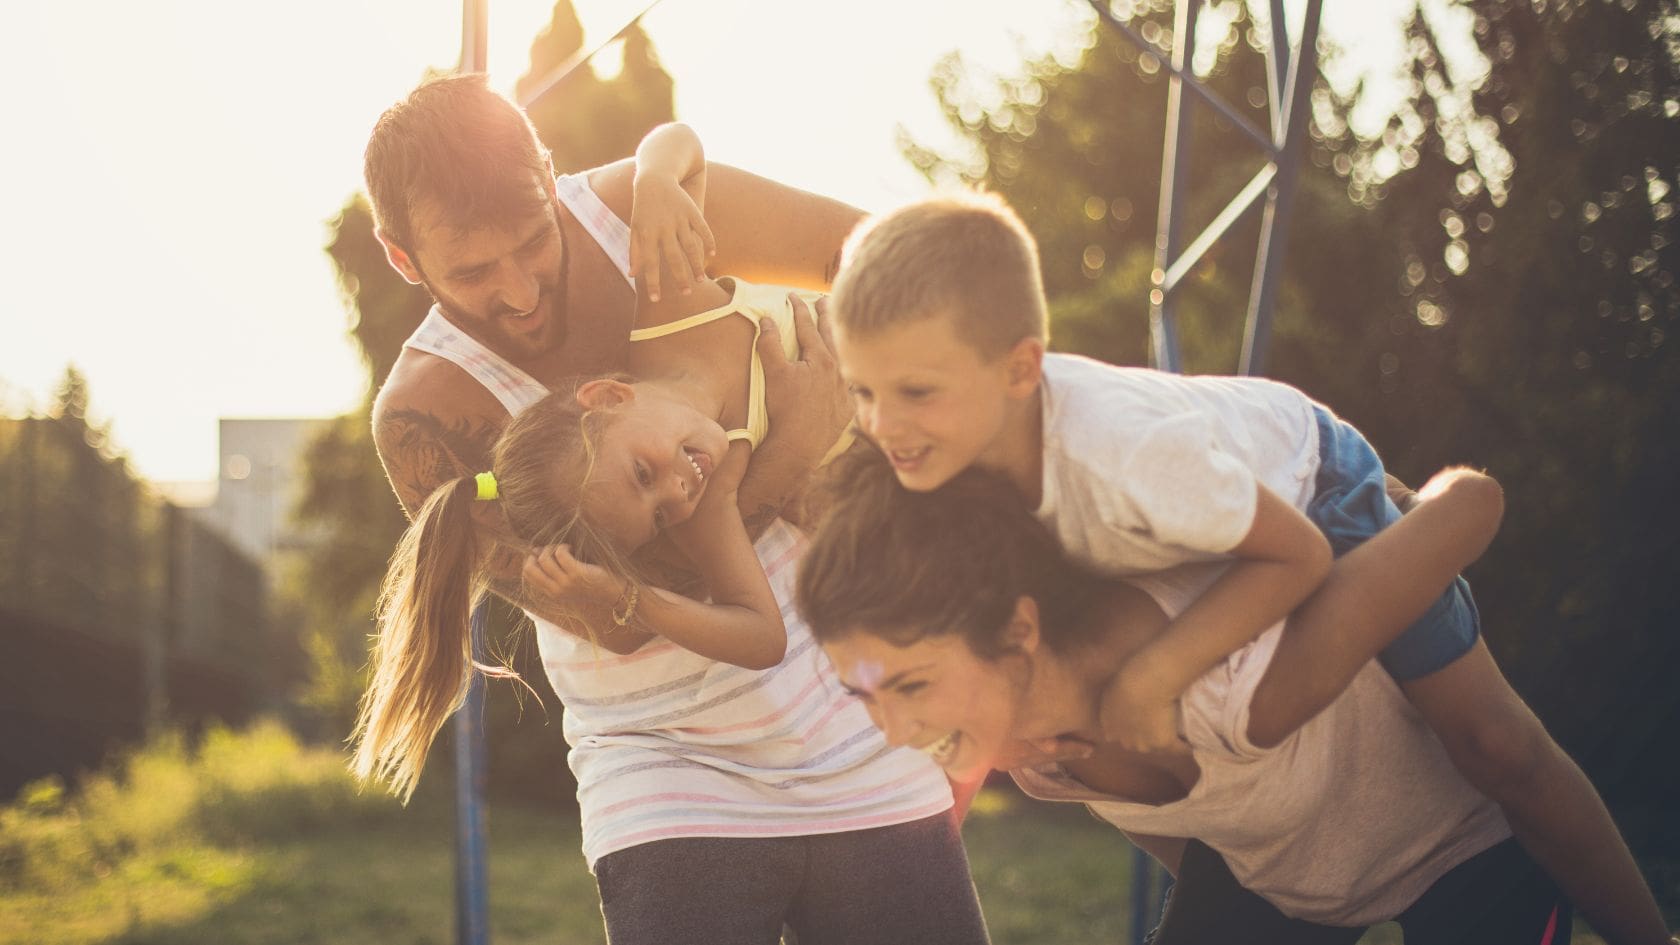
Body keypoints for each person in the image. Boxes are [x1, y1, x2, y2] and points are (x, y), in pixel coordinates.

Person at [825, 189, 1671, 944]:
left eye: (912, 393)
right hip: (1249, 578)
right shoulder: (969, 479)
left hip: (1319, 491)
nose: (882, 423)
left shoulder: (1121, 455)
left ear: (1018, 367)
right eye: (864, 393)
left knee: (1495, 742)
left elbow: (1313, 549)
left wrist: (1157, 675)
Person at [351, 74, 988, 945]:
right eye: (471, 271)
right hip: (664, 767)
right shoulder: (428, 417)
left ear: (548, 171)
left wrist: (858, 383)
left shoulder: (645, 211)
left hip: (854, 715)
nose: (521, 291)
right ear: (403, 258)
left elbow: (881, 259)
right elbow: (613, 616)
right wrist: (787, 453)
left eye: (534, 242)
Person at [799, 445, 1575, 942]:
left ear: (1015, 631)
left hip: (1469, 849)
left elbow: (1457, 511)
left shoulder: (1226, 661)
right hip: (1284, 883)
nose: (895, 730)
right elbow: (1191, 835)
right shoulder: (1040, 758)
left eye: (910, 686)